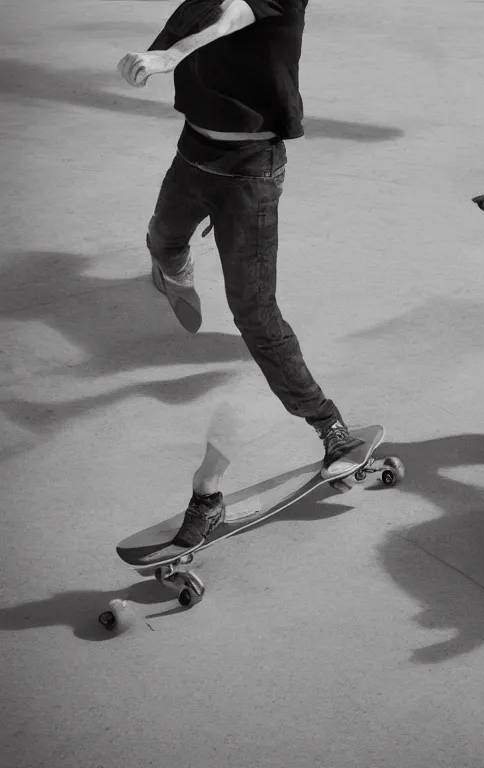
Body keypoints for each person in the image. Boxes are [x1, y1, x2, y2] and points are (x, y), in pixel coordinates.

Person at [117, 0, 366, 550]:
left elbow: (230, 17)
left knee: (254, 313)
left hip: (250, 173)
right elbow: (178, 30)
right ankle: (174, 269)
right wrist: (146, 58)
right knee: (161, 240)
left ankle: (330, 428)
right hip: (192, 156)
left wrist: (173, 55)